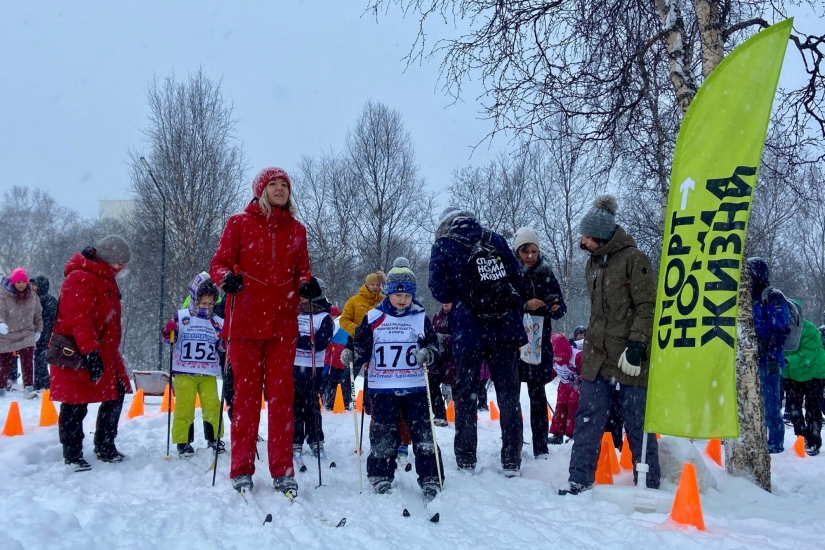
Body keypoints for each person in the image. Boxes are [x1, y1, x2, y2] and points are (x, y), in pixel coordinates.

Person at [210, 166, 310, 497]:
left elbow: (302, 272)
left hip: (282, 327)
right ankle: (241, 468)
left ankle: (282, 470)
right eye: (273, 184)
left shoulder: (297, 230)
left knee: (282, 400)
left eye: (284, 184)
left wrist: (308, 286)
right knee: (247, 401)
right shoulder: (239, 223)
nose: (280, 189)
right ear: (261, 190)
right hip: (245, 326)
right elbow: (218, 263)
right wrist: (226, 279)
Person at [560, 196, 660, 495]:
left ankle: (649, 481)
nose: (583, 241)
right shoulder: (592, 263)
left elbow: (647, 306)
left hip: (629, 353)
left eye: (587, 236)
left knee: (637, 420)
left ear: (602, 236)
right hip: (597, 354)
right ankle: (578, 479)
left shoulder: (634, 259)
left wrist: (638, 344)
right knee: (587, 417)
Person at [429, 206, 528, 477]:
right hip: (504, 327)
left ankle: (465, 457)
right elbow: (518, 279)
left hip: (468, 328)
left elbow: (438, 289)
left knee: (466, 394)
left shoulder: (443, 245)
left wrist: (461, 296)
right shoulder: (495, 239)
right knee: (509, 395)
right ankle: (511, 459)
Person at [343, 265, 444, 500]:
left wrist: (428, 353)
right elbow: (362, 346)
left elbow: (433, 347)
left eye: (408, 295)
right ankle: (380, 474)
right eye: (398, 294)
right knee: (383, 432)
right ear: (388, 292)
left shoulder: (420, 316)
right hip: (383, 387)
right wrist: (353, 354)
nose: (403, 299)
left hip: (415, 386)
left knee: (423, 432)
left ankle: (431, 476)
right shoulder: (374, 316)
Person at [50, 236, 133, 471]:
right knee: (75, 403)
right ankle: (72, 453)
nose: (122, 268)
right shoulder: (80, 278)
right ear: (107, 258)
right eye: (119, 262)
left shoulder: (105, 277)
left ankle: (105, 445)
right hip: (77, 352)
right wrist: (90, 352)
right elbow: (79, 319)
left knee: (116, 393)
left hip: (104, 350)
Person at [512, 227, 567, 458]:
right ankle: (512, 444)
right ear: (517, 252)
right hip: (513, 340)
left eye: (534, 251)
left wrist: (554, 306)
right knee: (511, 396)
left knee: (538, 395)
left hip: (539, 341)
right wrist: (525, 304)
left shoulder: (546, 272)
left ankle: (541, 447)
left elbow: (561, 307)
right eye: (526, 251)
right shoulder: (509, 272)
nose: (531, 256)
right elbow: (501, 302)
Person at [161, 273, 225, 457]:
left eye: (210, 304)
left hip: (208, 373)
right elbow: (168, 339)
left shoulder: (217, 322)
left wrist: (226, 345)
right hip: (184, 372)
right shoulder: (182, 317)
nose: (206, 307)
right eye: (203, 304)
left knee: (213, 406)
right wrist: (167, 333)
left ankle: (214, 438)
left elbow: (220, 346)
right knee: (184, 407)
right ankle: (183, 441)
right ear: (195, 300)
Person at [747, 256, 790, 454]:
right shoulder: (747, 296)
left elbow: (781, 329)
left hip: (768, 360)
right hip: (751, 358)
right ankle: (756, 439)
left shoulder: (772, 295)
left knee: (771, 403)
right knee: (751, 402)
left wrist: (770, 353)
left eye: (750, 274)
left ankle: (775, 443)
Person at [292, 277, 334, 461]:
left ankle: (316, 439)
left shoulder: (324, 317)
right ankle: (295, 440)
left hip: (312, 369)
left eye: (304, 297)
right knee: (293, 406)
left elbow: (320, 342)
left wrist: (299, 340)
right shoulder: (296, 314)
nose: (301, 300)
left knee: (311, 406)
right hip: (293, 367)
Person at [782, 299, 825, 456]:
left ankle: (814, 440)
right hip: (792, 375)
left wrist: (786, 361)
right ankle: (802, 436)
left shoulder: (809, 329)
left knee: (813, 407)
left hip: (814, 373)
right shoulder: (779, 327)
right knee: (793, 407)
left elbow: (808, 354)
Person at [0, 268, 43, 399]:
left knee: (28, 359)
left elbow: (38, 314)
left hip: (26, 332)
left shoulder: (32, 296)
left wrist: (39, 329)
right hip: (8, 333)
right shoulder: (3, 295)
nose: (21, 284)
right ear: (13, 282)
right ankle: (1, 386)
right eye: (18, 281)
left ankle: (29, 387)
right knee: (4, 362)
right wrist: (0, 323)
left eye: (23, 282)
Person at [549, 333, 581, 444]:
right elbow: (552, 372)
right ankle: (557, 434)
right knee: (560, 407)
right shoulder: (553, 359)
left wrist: (580, 381)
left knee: (573, 406)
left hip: (577, 385)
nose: (557, 359)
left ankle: (573, 433)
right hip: (563, 384)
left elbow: (586, 371)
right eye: (555, 356)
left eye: (559, 356)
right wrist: (541, 380)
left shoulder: (577, 356)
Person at [431, 303, 457, 426]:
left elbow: (460, 337)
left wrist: (442, 338)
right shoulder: (437, 316)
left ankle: (458, 414)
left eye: (448, 301)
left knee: (455, 387)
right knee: (433, 386)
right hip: (438, 358)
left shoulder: (458, 315)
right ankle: (439, 414)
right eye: (443, 301)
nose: (446, 304)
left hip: (453, 358)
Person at [30, 275, 57, 391]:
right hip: (45, 333)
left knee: (40, 358)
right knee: (40, 358)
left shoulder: (40, 300)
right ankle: (42, 381)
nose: (32, 287)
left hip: (43, 333)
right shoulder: (48, 300)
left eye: (35, 285)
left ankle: (42, 383)